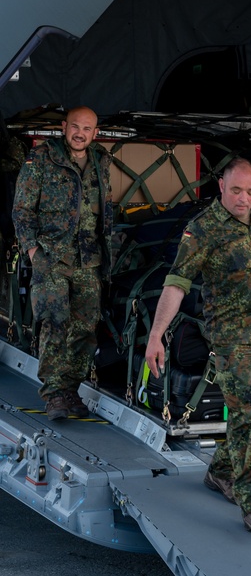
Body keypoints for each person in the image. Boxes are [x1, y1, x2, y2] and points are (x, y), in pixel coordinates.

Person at [144, 158, 251, 534]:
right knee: (243, 414)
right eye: (236, 191)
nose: (244, 199)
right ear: (221, 187)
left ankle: (219, 472)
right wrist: (156, 334)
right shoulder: (203, 229)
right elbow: (177, 283)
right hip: (232, 339)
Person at [12, 106, 113, 420]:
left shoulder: (101, 160)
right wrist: (33, 254)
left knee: (85, 326)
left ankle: (71, 389)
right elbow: (22, 211)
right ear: (63, 127)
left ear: (95, 133)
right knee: (55, 321)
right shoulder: (41, 159)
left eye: (87, 128)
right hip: (52, 256)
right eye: (75, 127)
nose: (80, 133)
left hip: (89, 257)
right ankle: (54, 394)